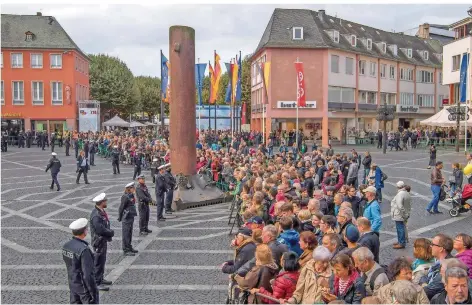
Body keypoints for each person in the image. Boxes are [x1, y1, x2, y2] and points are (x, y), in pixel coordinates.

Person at [62, 218, 99, 304]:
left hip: (73, 284)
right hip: (84, 288)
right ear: (85, 231)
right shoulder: (84, 250)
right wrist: (93, 292)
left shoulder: (66, 246)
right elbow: (88, 274)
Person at [89, 193, 114, 291]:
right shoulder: (96, 215)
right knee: (98, 262)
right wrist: (110, 232)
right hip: (98, 241)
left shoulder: (100, 211)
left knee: (102, 261)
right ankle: (97, 282)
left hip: (102, 240)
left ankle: (100, 278)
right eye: (105, 201)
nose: (106, 202)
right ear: (101, 202)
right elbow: (100, 230)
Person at [421, 233, 454, 300]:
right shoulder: (438, 261)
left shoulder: (447, 267)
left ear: (441, 249)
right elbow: (424, 277)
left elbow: (429, 291)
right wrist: (424, 283)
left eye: (433, 244)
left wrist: (423, 285)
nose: (430, 246)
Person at [118, 182, 138, 256]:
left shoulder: (131, 195)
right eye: (133, 188)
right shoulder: (125, 197)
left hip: (131, 216)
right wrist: (120, 217)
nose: (134, 189)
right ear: (129, 189)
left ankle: (129, 246)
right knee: (126, 234)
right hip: (126, 218)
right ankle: (125, 249)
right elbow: (121, 207)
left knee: (129, 233)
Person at [390, 180, 411, 249]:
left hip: (399, 214)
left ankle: (401, 243)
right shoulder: (406, 193)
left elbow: (400, 206)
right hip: (404, 213)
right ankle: (400, 241)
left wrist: (403, 214)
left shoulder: (400, 194)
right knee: (401, 228)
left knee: (400, 228)